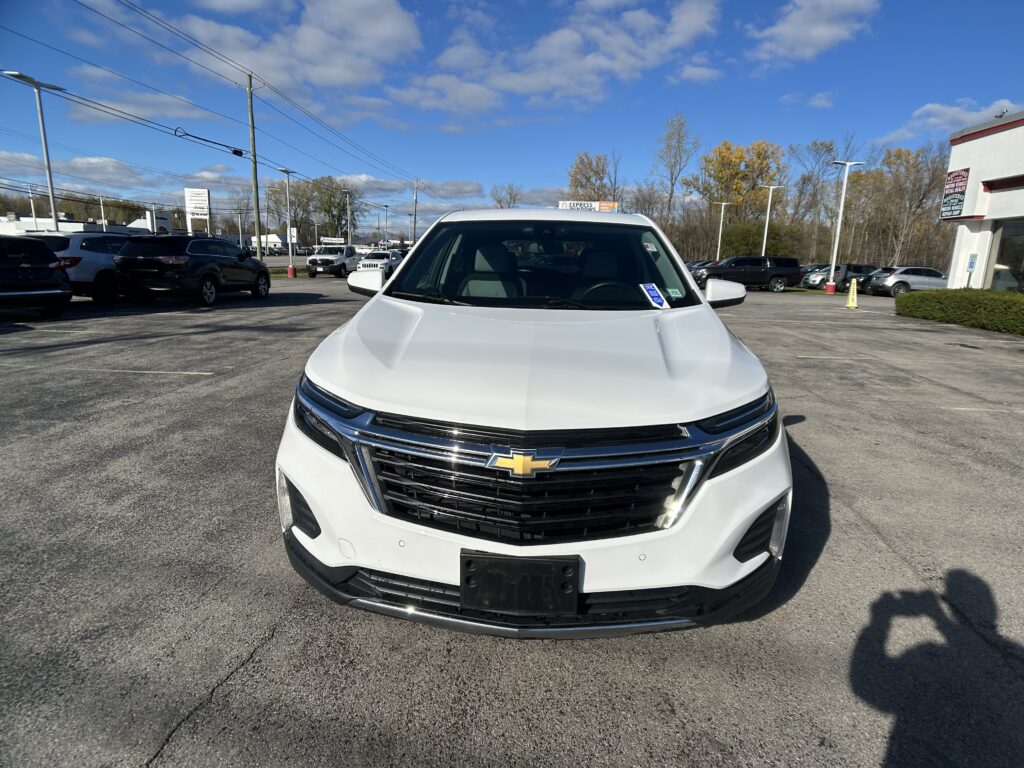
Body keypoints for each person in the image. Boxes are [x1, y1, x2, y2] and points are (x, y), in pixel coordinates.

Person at [850, 570, 1024, 767]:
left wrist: (881, 617)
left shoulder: (928, 654)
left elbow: (868, 688)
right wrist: (938, 616)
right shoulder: (1015, 657)